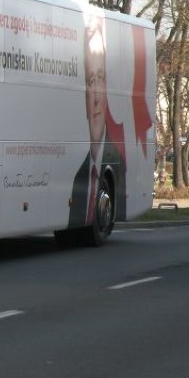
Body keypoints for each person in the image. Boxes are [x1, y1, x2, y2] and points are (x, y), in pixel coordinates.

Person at [69, 14, 126, 228]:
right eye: (90, 81)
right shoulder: (75, 176)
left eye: (99, 78)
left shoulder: (116, 152)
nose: (95, 98)